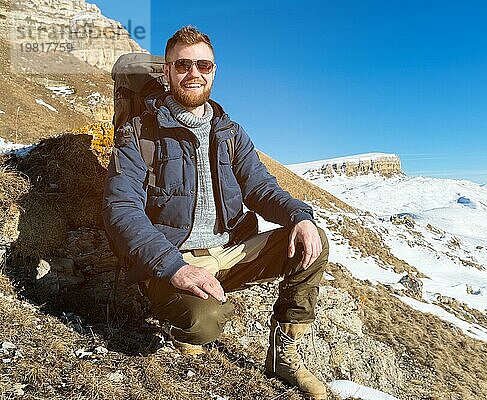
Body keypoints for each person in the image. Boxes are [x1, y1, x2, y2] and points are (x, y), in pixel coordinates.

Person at [102, 26, 329, 399]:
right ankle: (182, 321)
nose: (194, 73)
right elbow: (120, 208)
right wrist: (174, 267)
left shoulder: (231, 132)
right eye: (183, 65)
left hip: (231, 250)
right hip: (172, 258)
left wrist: (299, 216)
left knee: (313, 240)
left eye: (203, 65)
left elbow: (261, 189)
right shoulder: (139, 132)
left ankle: (283, 354)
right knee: (205, 324)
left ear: (214, 70)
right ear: (168, 72)